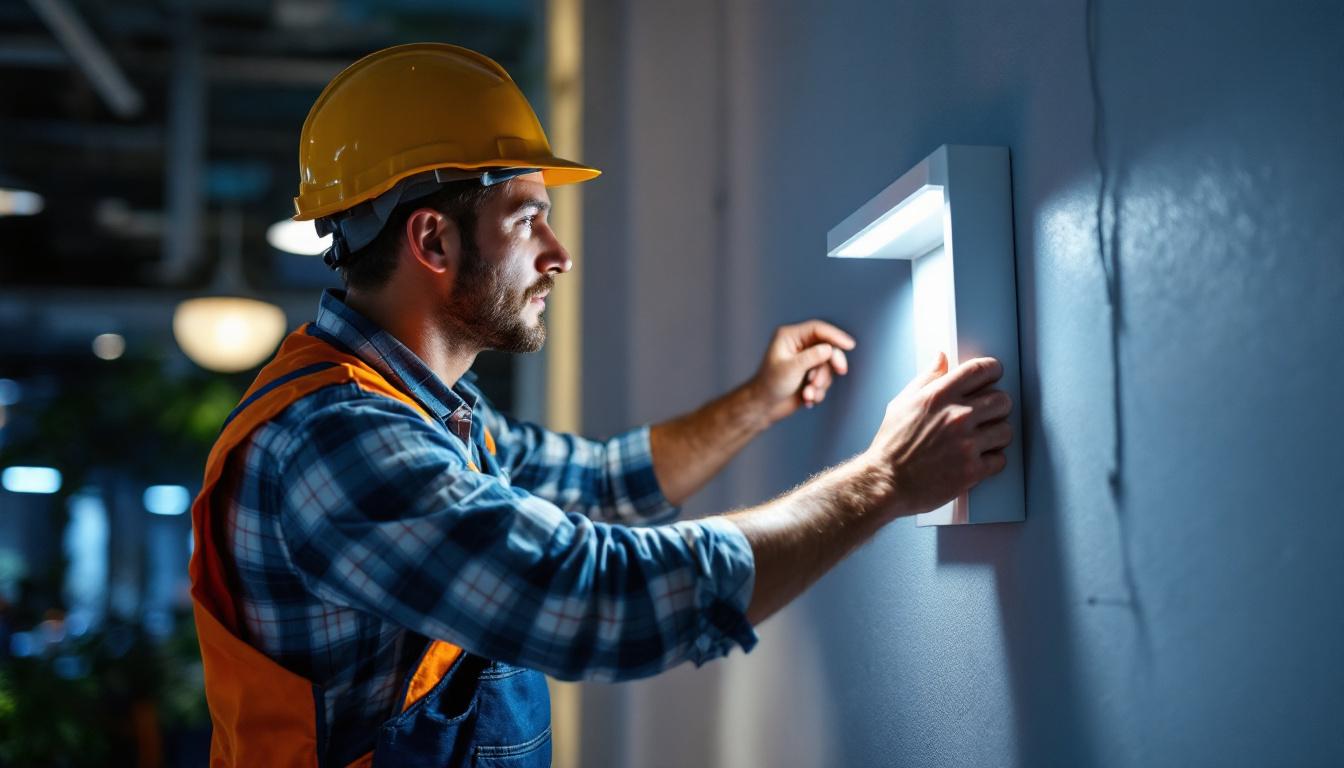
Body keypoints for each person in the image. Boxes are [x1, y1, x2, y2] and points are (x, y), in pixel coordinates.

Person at [188, 43, 1013, 767]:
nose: (560, 255)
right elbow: (596, 600)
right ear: (433, 241)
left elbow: (596, 480)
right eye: (529, 218)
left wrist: (758, 403)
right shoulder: (340, 444)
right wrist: (882, 482)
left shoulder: (423, 415)